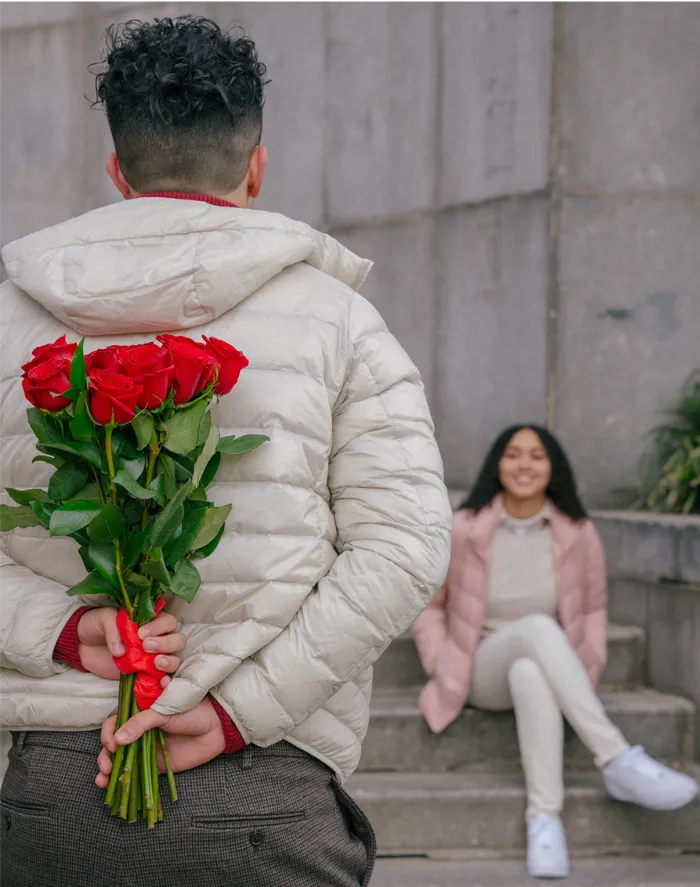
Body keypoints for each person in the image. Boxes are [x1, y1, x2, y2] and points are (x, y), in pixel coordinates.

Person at [0, 17, 452, 887]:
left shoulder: (10, 321)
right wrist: (233, 713)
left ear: (118, 170)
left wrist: (62, 629)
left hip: (55, 795)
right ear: (256, 166)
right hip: (261, 793)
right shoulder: (338, 321)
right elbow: (403, 548)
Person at [413, 425, 698, 880]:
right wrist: (439, 661)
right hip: (479, 666)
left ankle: (544, 820)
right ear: (496, 464)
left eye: (537, 456)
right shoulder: (465, 528)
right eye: (513, 455)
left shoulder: (577, 534)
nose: (525, 465)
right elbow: (430, 607)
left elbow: (593, 609)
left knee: (530, 669)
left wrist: (582, 667)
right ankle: (616, 757)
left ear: (553, 468)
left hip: (544, 664)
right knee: (536, 631)